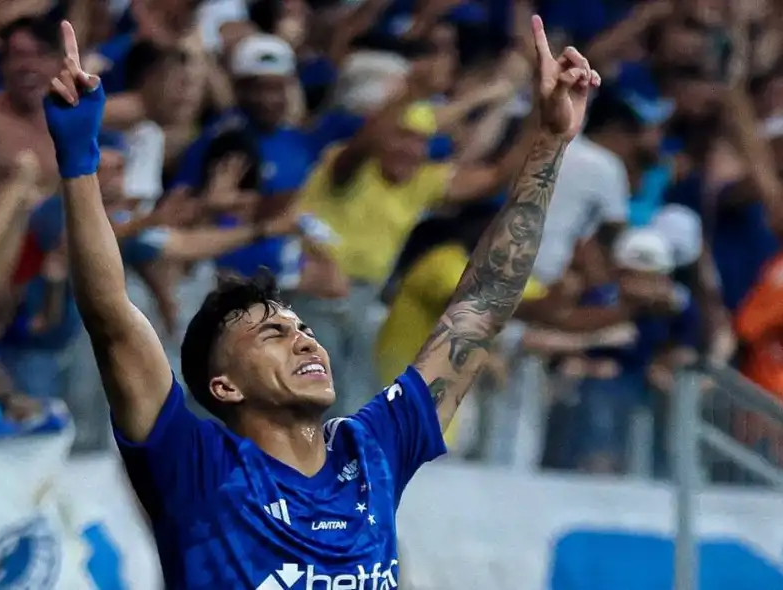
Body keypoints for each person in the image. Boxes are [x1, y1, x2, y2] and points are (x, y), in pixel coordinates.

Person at [46, 16, 598, 589]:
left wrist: (550, 142)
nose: (304, 339)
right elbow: (111, 316)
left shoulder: (374, 449)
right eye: (272, 335)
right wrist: (79, 161)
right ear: (225, 386)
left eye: (299, 326)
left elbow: (482, 302)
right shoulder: (195, 466)